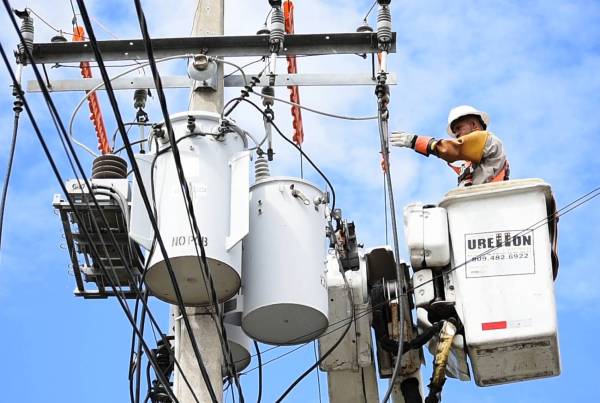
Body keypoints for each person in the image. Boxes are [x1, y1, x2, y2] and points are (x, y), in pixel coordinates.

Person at [390, 105, 509, 187]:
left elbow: (451, 149)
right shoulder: (472, 158)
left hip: (485, 201)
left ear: (473, 125)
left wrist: (415, 141)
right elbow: (453, 156)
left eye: (458, 128)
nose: (456, 134)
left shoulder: (486, 138)